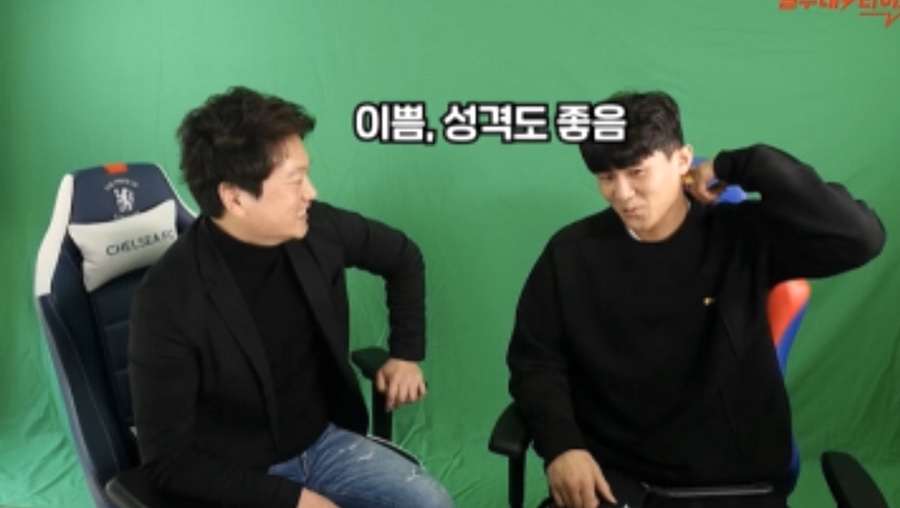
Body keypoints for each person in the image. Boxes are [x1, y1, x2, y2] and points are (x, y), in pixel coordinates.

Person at [506, 90, 885, 508]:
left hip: (736, 485)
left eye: (636, 172)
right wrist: (562, 446)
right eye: (606, 177)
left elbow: (861, 238)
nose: (622, 193)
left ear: (682, 160)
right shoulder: (571, 253)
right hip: (617, 481)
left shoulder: (743, 236)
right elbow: (535, 361)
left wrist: (747, 164)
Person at [129, 86, 454, 508]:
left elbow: (402, 256)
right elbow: (168, 463)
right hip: (235, 472)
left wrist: (405, 354)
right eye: (295, 180)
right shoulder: (167, 300)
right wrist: (295, 501)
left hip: (323, 442)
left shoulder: (317, 228)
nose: (310, 192)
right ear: (234, 197)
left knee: (431, 503)